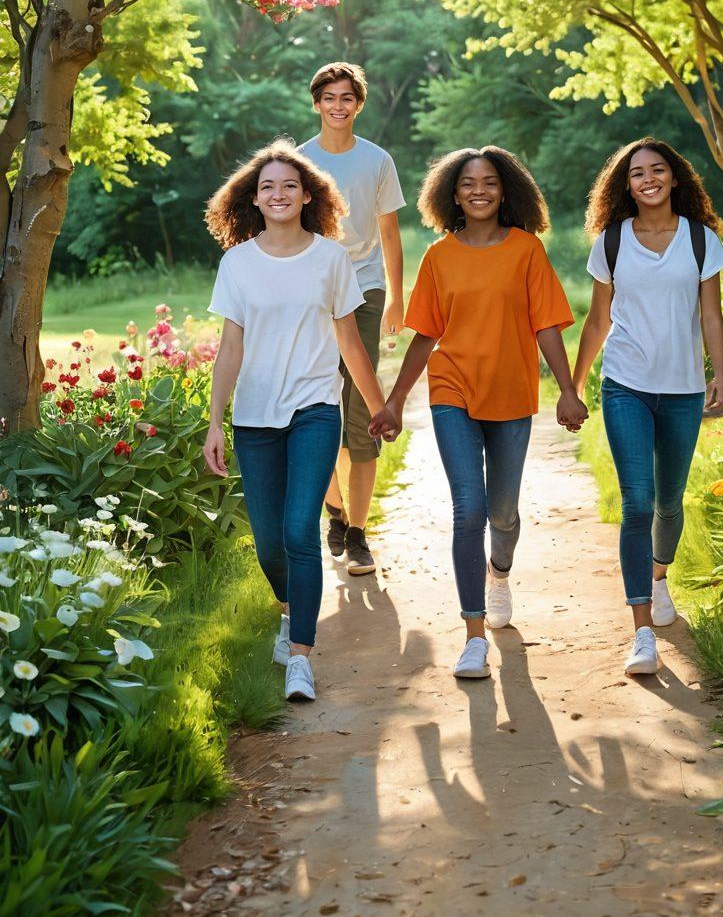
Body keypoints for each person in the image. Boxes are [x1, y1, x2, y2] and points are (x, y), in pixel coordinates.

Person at [370, 146, 587, 680]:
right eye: (468, 182)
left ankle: (499, 573)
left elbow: (546, 327)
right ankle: (473, 635)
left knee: (502, 514)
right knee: (468, 509)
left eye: (489, 181)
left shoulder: (526, 250)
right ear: (452, 192)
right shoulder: (439, 257)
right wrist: (395, 400)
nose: (479, 190)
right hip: (453, 390)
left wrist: (568, 389)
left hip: (512, 394)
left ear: (505, 189)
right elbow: (425, 336)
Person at [202, 140, 393, 704]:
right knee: (268, 546)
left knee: (298, 532)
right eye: (267, 187)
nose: (278, 193)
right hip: (255, 418)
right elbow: (229, 348)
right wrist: (216, 423)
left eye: (289, 185)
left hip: (315, 408)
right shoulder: (237, 263)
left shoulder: (331, 259)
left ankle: (302, 659)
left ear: (308, 194)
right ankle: (290, 612)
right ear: (253, 200)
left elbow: (350, 342)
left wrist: (378, 404)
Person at [571, 138, 723, 678]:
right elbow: (598, 321)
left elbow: (711, 315)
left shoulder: (701, 241)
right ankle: (641, 632)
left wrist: (720, 375)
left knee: (669, 501)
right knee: (637, 501)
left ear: (675, 178)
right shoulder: (611, 243)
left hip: (683, 388)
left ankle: (659, 577)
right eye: (636, 173)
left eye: (657, 169)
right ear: (626, 186)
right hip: (626, 383)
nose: (647, 179)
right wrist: (573, 385)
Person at [299, 63, 406, 577]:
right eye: (329, 97)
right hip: (313, 293)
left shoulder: (377, 160)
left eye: (347, 98)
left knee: (361, 411)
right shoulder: (299, 161)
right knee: (315, 404)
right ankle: (334, 508)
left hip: (364, 287)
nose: (338, 105)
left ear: (358, 105)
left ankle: (359, 532)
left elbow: (389, 233)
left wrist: (395, 298)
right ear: (316, 102)